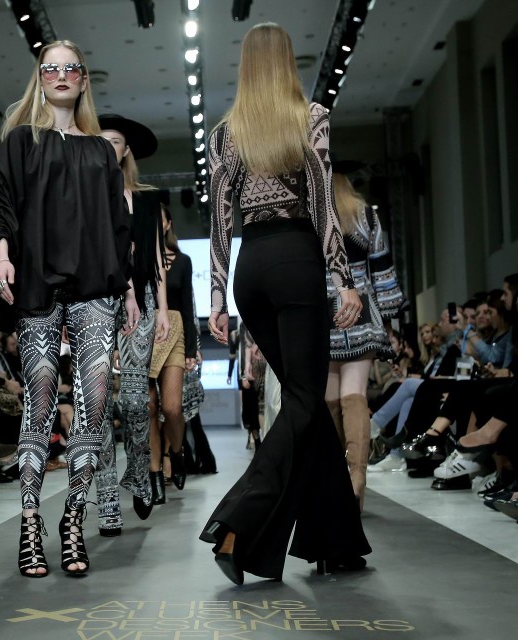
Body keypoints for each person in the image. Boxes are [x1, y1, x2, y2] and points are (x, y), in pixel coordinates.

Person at [199, 23, 370, 585]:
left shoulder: (227, 133)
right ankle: (237, 522)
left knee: (307, 408)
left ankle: (336, 542)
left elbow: (219, 222)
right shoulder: (310, 116)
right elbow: (322, 204)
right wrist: (345, 280)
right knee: (303, 400)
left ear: (246, 65)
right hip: (297, 261)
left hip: (251, 271)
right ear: (288, 61)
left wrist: (216, 296)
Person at [0, 40, 138, 578]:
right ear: (40, 77)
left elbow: (118, 227)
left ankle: (73, 520)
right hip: (38, 282)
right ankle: (29, 524)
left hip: (95, 287)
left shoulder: (101, 152)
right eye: (52, 68)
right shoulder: (20, 141)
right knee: (40, 400)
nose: (62, 75)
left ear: (84, 79)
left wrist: (127, 291)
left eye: (72, 68)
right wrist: (1, 254)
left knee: (94, 403)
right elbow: (2, 204)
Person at [93, 113, 169, 534]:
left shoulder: (148, 199)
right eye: (102, 140)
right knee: (99, 403)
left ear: (126, 151)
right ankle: (106, 497)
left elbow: (156, 258)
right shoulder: (85, 195)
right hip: (94, 302)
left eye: (116, 141)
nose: (109, 147)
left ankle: (139, 469)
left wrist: (163, 309)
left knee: (138, 402)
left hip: (141, 301)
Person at [324, 173, 403, 511]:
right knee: (354, 395)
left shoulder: (316, 218)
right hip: (361, 310)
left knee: (330, 401)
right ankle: (357, 478)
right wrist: (390, 319)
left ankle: (334, 482)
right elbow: (382, 268)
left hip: (325, 312)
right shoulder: (367, 216)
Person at [148, 209, 197, 502]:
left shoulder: (183, 261)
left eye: (161, 219)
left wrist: (191, 348)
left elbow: (188, 305)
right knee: (149, 407)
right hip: (144, 333)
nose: (157, 223)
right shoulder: (140, 257)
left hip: (175, 331)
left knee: (173, 408)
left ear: (168, 224)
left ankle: (176, 453)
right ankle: (154, 472)